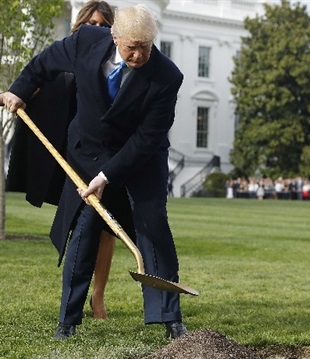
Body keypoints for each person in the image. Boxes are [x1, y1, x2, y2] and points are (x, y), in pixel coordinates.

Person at [2, 4, 187, 340]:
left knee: (152, 224)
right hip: (87, 152)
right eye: (131, 47)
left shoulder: (167, 76)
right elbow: (44, 63)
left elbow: (146, 139)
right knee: (84, 229)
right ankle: (67, 322)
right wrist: (19, 89)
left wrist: (107, 177)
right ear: (114, 37)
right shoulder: (86, 40)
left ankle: (170, 318)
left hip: (141, 160)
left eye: (145, 47)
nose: (138, 54)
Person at [5, 0, 118, 321]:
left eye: (103, 25)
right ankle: (74, 298)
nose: (96, 30)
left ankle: (98, 298)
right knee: (80, 224)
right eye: (91, 23)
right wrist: (21, 92)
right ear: (79, 25)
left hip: (107, 152)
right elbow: (39, 70)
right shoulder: (67, 53)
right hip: (72, 153)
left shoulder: (118, 62)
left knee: (106, 226)